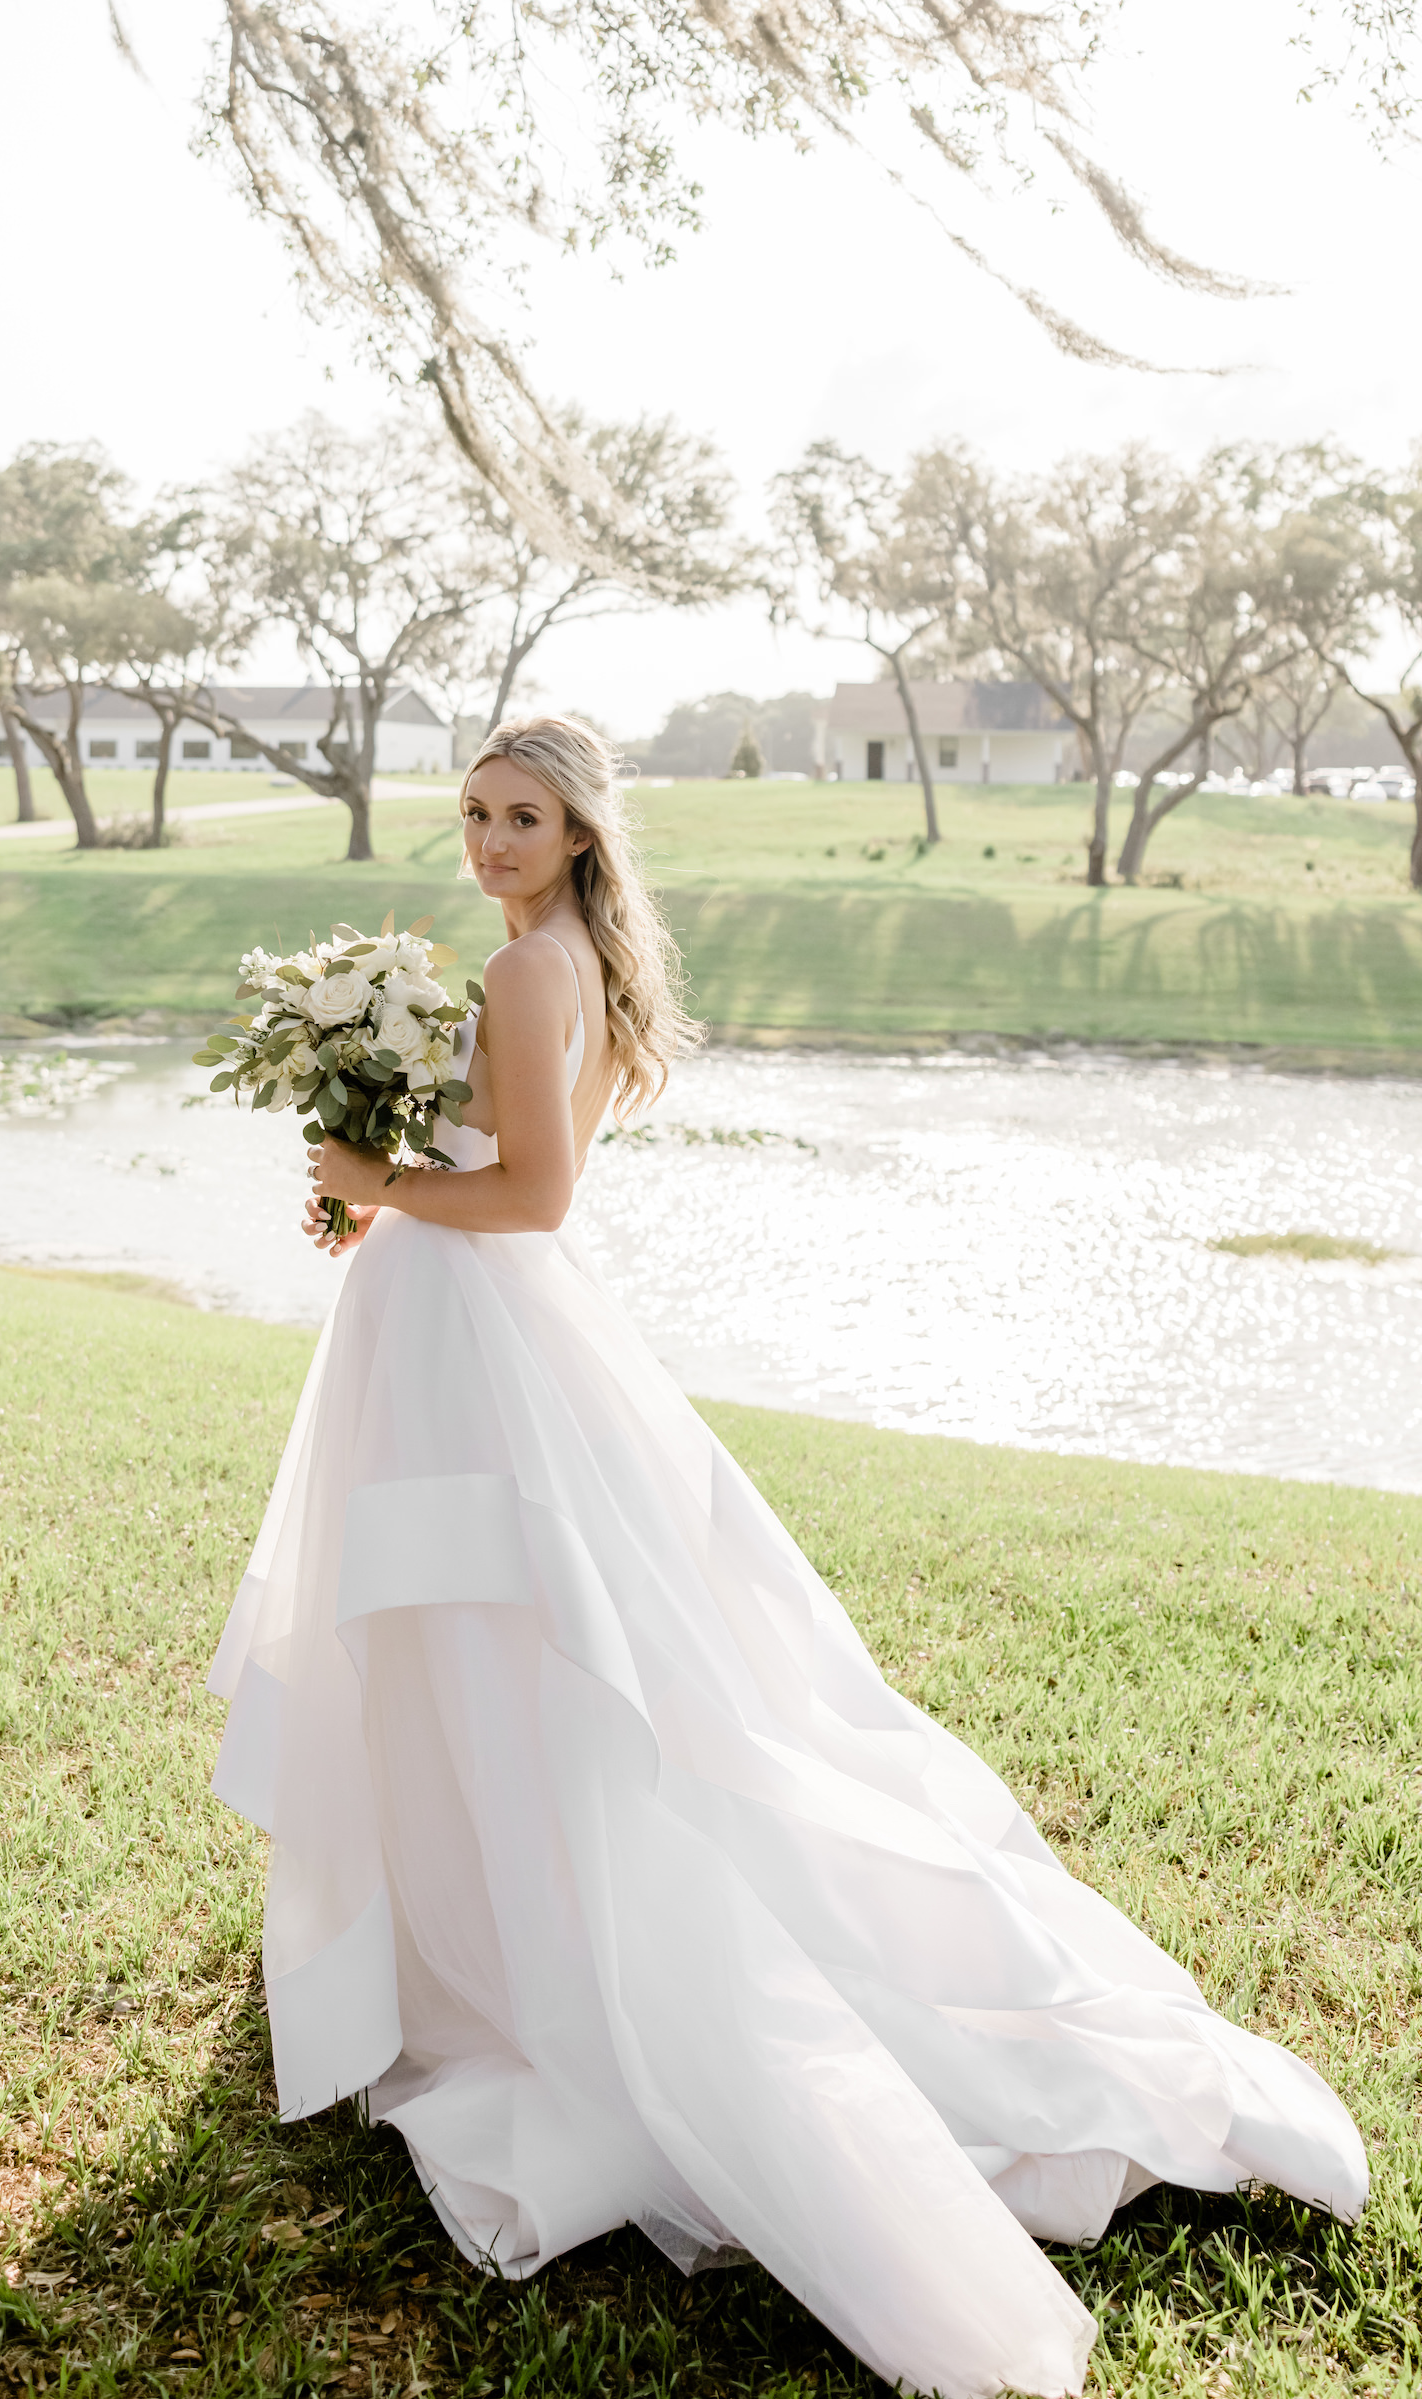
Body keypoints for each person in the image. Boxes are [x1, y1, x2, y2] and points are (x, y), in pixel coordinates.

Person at [207, 714, 1366, 2399]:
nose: (489, 842)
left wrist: (381, 1172)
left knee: (498, 1642)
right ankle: (468, 1922)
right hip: (468, 1330)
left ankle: (528, 1963)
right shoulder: (558, 962)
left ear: (584, 833)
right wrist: (376, 1187)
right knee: (492, 1640)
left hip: (483, 1332)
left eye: (521, 818)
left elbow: (532, 1197)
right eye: (472, 814)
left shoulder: (533, 974)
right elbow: (502, 1173)